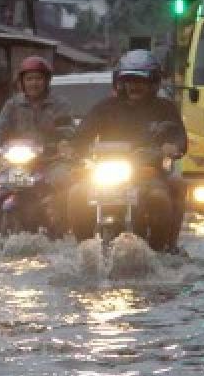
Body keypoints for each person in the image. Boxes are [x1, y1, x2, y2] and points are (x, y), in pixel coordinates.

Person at [71, 49, 187, 251]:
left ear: (153, 83)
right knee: (76, 193)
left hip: (149, 174)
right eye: (130, 80)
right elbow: (81, 136)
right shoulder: (105, 107)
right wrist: (75, 150)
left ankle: (162, 248)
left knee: (160, 198)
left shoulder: (165, 108)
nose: (135, 86)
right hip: (105, 175)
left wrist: (172, 147)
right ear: (120, 82)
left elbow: (179, 138)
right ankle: (83, 250)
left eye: (141, 81)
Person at [0, 56, 74, 215]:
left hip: (50, 160)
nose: (34, 83)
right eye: (29, 79)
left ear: (46, 81)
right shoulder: (12, 105)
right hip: (17, 161)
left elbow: (67, 129)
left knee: (62, 179)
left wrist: (64, 143)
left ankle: (63, 214)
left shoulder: (60, 105)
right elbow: (0, 128)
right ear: (22, 82)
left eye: (38, 79)